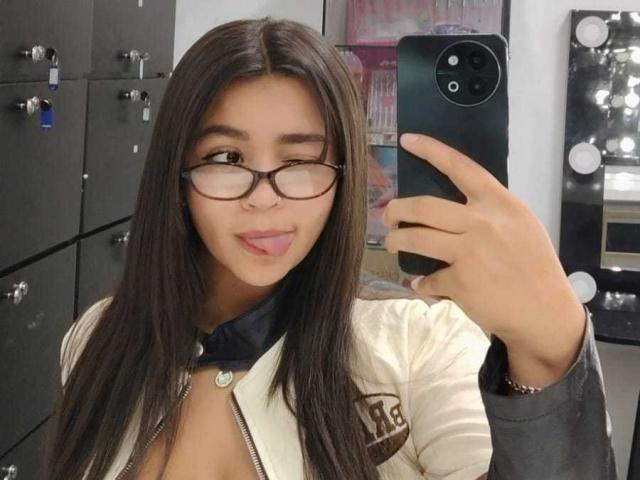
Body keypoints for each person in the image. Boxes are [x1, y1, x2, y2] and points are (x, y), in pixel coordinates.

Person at [47, 17, 616, 480]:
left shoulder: (420, 344)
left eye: (300, 161)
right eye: (226, 158)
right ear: (177, 173)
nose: (264, 199)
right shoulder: (96, 339)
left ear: (343, 176)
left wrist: (549, 349)